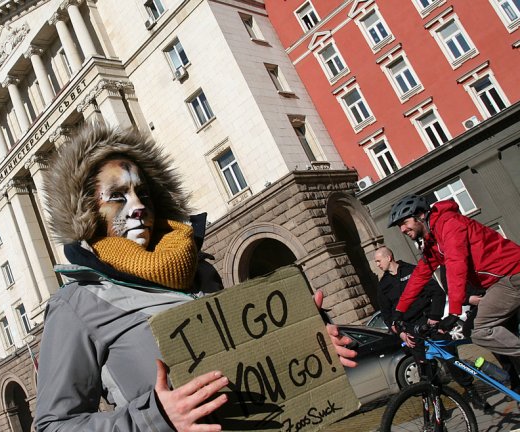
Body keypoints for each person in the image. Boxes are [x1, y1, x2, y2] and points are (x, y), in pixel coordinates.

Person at [34, 123, 356, 432]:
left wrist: (309, 343)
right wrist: (155, 419)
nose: (138, 206)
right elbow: (54, 425)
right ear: (87, 212)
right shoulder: (76, 305)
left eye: (143, 193)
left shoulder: (200, 270)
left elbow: (247, 364)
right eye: (118, 196)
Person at [387, 195, 520, 370]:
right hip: (497, 283)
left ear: (420, 215)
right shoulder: (432, 240)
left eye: (405, 222)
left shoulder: (449, 223)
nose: (403, 229)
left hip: (512, 276)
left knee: (477, 330)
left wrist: (454, 312)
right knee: (479, 330)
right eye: (399, 226)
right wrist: (399, 311)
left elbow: (456, 264)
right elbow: (420, 275)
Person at [374, 246, 487, 409]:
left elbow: (438, 293)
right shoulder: (383, 285)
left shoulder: (413, 271)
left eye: (378, 261)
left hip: (429, 323)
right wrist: (401, 333)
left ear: (388, 257)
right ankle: (437, 409)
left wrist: (434, 317)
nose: (377, 264)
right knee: (426, 372)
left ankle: (471, 392)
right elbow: (387, 315)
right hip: (411, 331)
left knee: (451, 360)